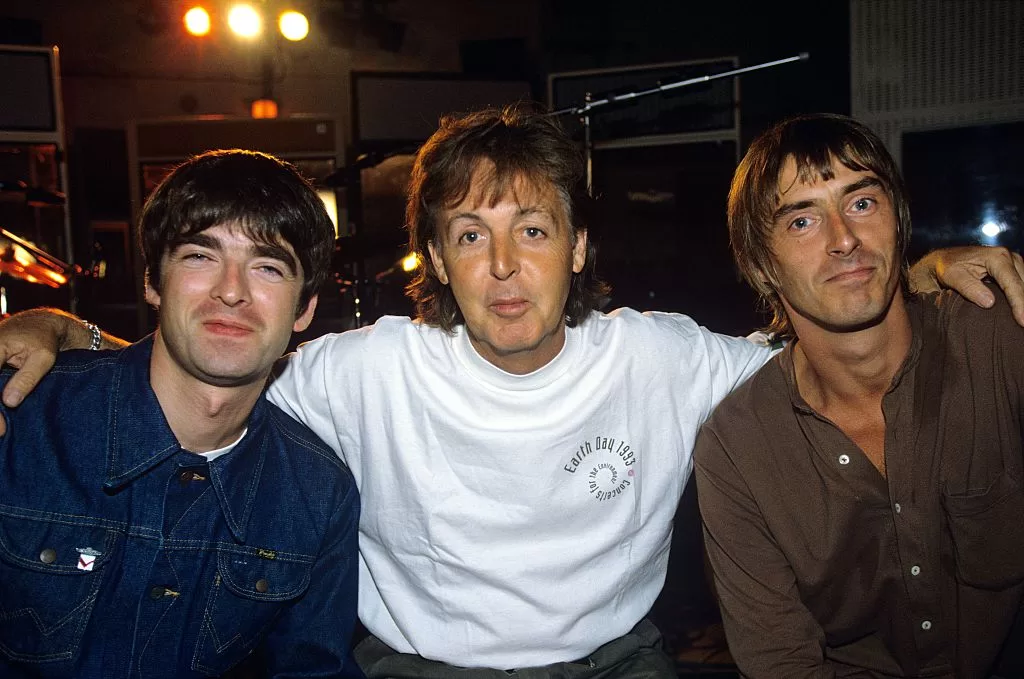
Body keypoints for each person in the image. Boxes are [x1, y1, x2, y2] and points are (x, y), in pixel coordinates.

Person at [0, 106, 1022, 678]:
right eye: (469, 236)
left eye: (532, 230)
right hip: (415, 667)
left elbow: (811, 342)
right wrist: (73, 331)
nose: (502, 266)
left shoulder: (661, 357)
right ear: (435, 261)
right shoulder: (364, 370)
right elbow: (217, 359)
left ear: (578, 248)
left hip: (616, 660)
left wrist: (921, 278)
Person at [0, 150, 363, 678]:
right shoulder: (23, 422)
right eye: (200, 256)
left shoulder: (317, 494)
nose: (232, 291)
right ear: (152, 281)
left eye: (268, 267)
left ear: (304, 308)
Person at [694, 113, 1024, 678]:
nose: (844, 239)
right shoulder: (738, 450)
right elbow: (783, 665)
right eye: (802, 221)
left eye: (862, 204)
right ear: (760, 265)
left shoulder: (997, 338)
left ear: (898, 222)